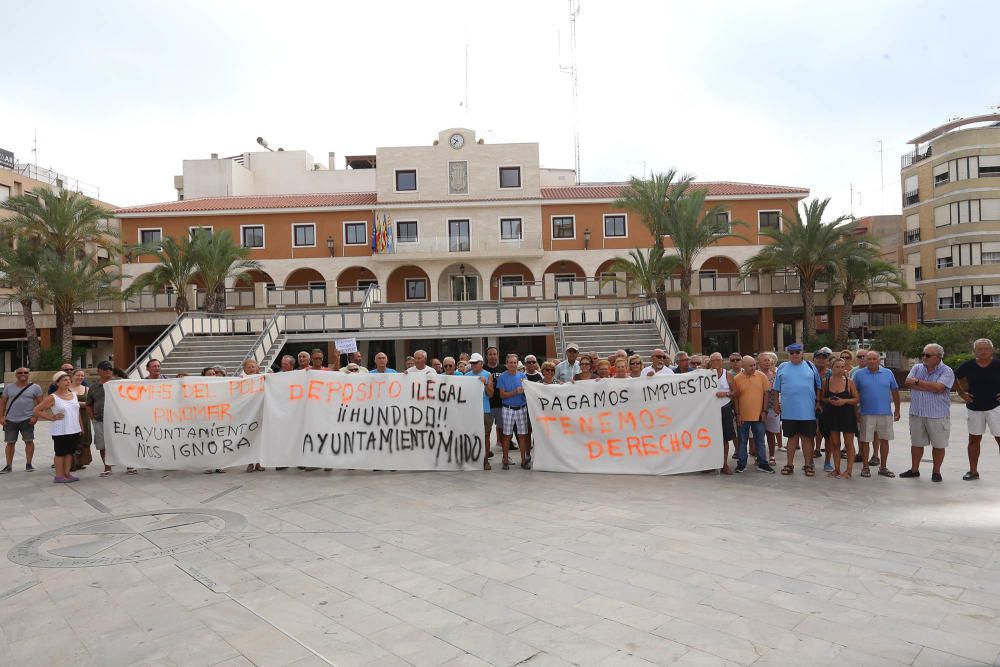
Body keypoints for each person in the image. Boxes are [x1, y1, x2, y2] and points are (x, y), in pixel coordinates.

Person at [901, 343, 955, 482]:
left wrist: (918, 382)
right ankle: (914, 470)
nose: (924, 357)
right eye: (923, 354)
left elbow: (940, 387)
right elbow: (907, 382)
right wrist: (931, 387)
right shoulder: (917, 367)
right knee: (916, 443)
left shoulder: (946, 371)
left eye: (928, 355)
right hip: (917, 413)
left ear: (938, 357)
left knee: (938, 444)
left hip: (937, 414)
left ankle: (936, 472)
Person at [773, 343, 821, 477]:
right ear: (789, 354)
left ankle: (808, 465)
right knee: (791, 439)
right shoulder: (782, 367)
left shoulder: (811, 366)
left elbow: (819, 386)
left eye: (797, 352)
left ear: (802, 353)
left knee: (807, 439)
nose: (795, 354)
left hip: (808, 411)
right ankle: (789, 464)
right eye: (792, 352)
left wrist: (817, 402)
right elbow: (776, 389)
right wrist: (776, 404)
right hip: (789, 411)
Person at [955, 338, 1000, 481]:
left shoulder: (998, 364)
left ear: (991, 350)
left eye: (986, 348)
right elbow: (954, 377)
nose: (983, 351)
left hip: (996, 407)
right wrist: (961, 393)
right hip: (974, 408)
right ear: (975, 351)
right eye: (979, 349)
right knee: (974, 439)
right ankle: (973, 471)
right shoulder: (967, 366)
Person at [852, 350, 900, 479]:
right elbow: (853, 393)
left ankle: (883, 467)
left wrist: (897, 410)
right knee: (865, 441)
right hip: (866, 413)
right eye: (869, 359)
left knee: (885, 441)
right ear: (866, 361)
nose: (872, 361)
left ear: (879, 360)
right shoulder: (858, 375)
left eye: (874, 359)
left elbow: (895, 391)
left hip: (885, 413)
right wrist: (855, 411)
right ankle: (865, 467)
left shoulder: (888, 373)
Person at [34, 371, 83, 483]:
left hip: (74, 429)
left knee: (70, 452)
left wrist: (81, 427)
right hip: (60, 430)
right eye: (65, 380)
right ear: (57, 383)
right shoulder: (53, 397)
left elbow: (77, 412)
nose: (68, 382)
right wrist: (51, 417)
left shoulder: (74, 395)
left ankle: (67, 474)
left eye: (69, 380)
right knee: (60, 453)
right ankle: (59, 476)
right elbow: (36, 410)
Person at [732, 355, 774, 473]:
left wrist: (764, 411)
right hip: (743, 416)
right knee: (742, 440)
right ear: (743, 366)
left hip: (759, 416)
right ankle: (741, 463)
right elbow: (735, 398)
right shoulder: (737, 379)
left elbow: (766, 394)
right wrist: (738, 414)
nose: (753, 367)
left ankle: (763, 463)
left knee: (760, 440)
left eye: (754, 365)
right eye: (750, 365)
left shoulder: (761, 376)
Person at [820, 358, 859, 478]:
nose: (840, 369)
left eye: (842, 367)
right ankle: (836, 469)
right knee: (835, 443)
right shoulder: (826, 381)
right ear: (832, 368)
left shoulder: (849, 382)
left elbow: (856, 399)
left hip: (846, 415)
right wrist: (829, 400)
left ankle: (848, 471)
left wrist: (844, 401)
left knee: (848, 444)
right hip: (832, 415)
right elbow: (822, 398)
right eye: (837, 367)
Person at [0, 367, 44, 473]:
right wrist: (1, 416)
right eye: (20, 372)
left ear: (29, 374)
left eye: (25, 372)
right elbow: (2, 403)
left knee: (29, 441)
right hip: (10, 419)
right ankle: (8, 465)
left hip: (27, 419)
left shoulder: (36, 387)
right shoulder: (8, 387)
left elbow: (41, 405)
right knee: (10, 443)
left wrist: (35, 417)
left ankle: (29, 464)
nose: (22, 374)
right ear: (16, 375)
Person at [496, 353, 530, 470]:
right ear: (506, 364)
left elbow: (528, 393)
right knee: (507, 435)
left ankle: (523, 460)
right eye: (510, 362)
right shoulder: (502, 377)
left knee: (522, 435)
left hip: (521, 408)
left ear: (517, 363)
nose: (513, 365)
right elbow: (502, 395)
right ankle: (505, 460)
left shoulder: (523, 376)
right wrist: (515, 391)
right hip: (508, 408)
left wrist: (525, 391)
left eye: (515, 362)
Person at [708, 352, 737, 474]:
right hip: (709, 410)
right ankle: (709, 464)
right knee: (710, 438)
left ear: (721, 361)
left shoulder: (728, 375)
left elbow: (735, 392)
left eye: (718, 360)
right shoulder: (704, 375)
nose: (715, 363)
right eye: (713, 360)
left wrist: (725, 394)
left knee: (725, 439)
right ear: (710, 362)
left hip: (724, 408)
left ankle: (724, 464)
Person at [85, 361, 115, 477]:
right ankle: (107, 467)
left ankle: (129, 465)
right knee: (102, 445)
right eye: (104, 368)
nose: (108, 370)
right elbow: (88, 404)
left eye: (110, 368)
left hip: (117, 421)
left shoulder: (118, 384)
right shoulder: (93, 387)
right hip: (99, 420)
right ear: (98, 371)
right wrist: (92, 418)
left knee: (122, 442)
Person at [468, 353, 494, 470]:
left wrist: (486, 383)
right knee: (471, 435)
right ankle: (472, 458)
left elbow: (491, 394)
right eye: (471, 363)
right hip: (471, 410)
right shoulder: (466, 375)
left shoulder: (487, 375)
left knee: (486, 436)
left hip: (485, 410)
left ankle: (485, 460)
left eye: (475, 363)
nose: (473, 365)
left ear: (481, 363)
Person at [758, 351, 781, 466]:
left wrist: (779, 403)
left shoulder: (776, 374)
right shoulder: (755, 374)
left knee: (771, 433)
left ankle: (772, 456)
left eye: (769, 360)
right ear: (759, 362)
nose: (767, 362)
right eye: (765, 360)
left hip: (772, 407)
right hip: (758, 408)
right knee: (759, 433)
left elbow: (779, 390)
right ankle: (760, 456)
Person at [812, 349, 833, 463]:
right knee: (813, 430)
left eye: (823, 358)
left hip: (827, 404)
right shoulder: (809, 371)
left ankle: (827, 457)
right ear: (813, 359)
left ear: (827, 360)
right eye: (818, 357)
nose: (820, 360)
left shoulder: (830, 373)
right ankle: (816, 449)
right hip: (811, 403)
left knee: (825, 430)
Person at [69, 369, 93, 472]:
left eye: (82, 376)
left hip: (84, 417)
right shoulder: (67, 388)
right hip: (70, 417)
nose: (80, 377)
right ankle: (70, 463)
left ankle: (80, 461)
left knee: (84, 439)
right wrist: (83, 404)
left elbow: (91, 403)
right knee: (71, 439)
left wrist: (79, 404)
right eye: (78, 375)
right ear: (72, 376)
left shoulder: (87, 388)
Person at [484, 347, 504, 455]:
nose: (492, 356)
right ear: (486, 356)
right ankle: (486, 452)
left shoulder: (503, 369)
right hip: (488, 405)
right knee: (487, 431)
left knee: (503, 431)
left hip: (501, 405)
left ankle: (505, 454)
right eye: (490, 354)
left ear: (497, 355)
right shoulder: (482, 369)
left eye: (494, 354)